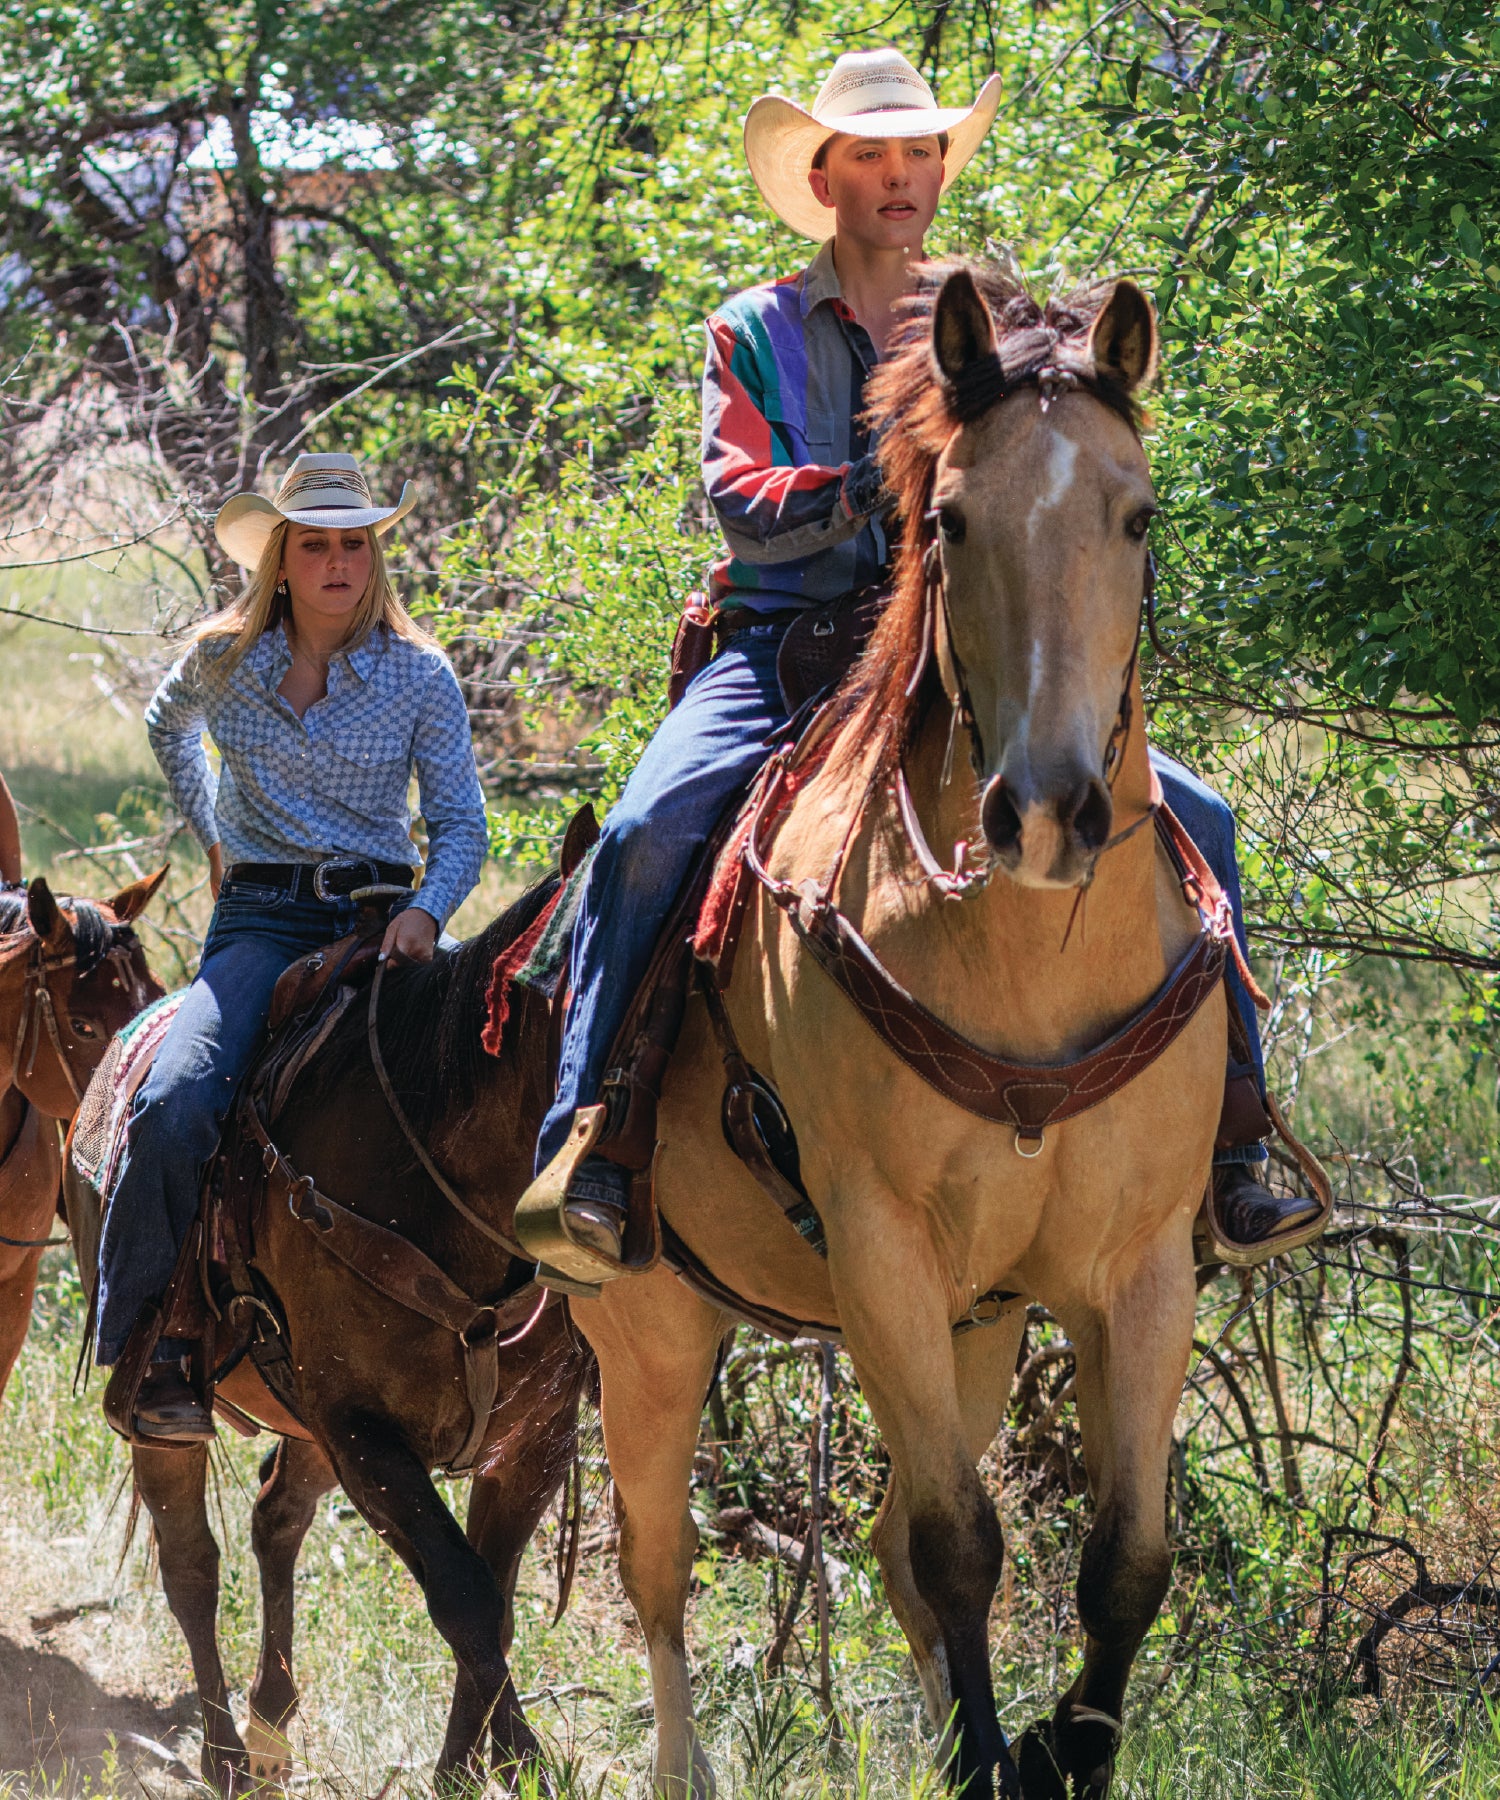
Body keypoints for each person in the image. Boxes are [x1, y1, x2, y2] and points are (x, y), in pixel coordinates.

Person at [527, 47, 1319, 1267]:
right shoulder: (754, 331)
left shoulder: (998, 335)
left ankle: (1236, 1147)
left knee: (1196, 818)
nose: (899, 174)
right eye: (869, 155)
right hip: (784, 648)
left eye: (918, 152)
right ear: (825, 177)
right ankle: (596, 1141)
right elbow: (742, 502)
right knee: (645, 834)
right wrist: (874, 485)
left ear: (941, 169)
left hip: (960, 652)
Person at [95, 452, 488, 1440]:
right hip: (263, 921)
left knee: (485, 1095)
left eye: (354, 542)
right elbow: (166, 721)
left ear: (373, 555)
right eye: (315, 542)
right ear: (281, 556)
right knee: (180, 1096)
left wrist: (428, 913)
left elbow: (462, 827)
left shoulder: (419, 675)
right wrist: (214, 837)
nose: (337, 561)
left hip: (379, 924)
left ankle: (515, 1335)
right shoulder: (226, 658)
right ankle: (163, 1344)